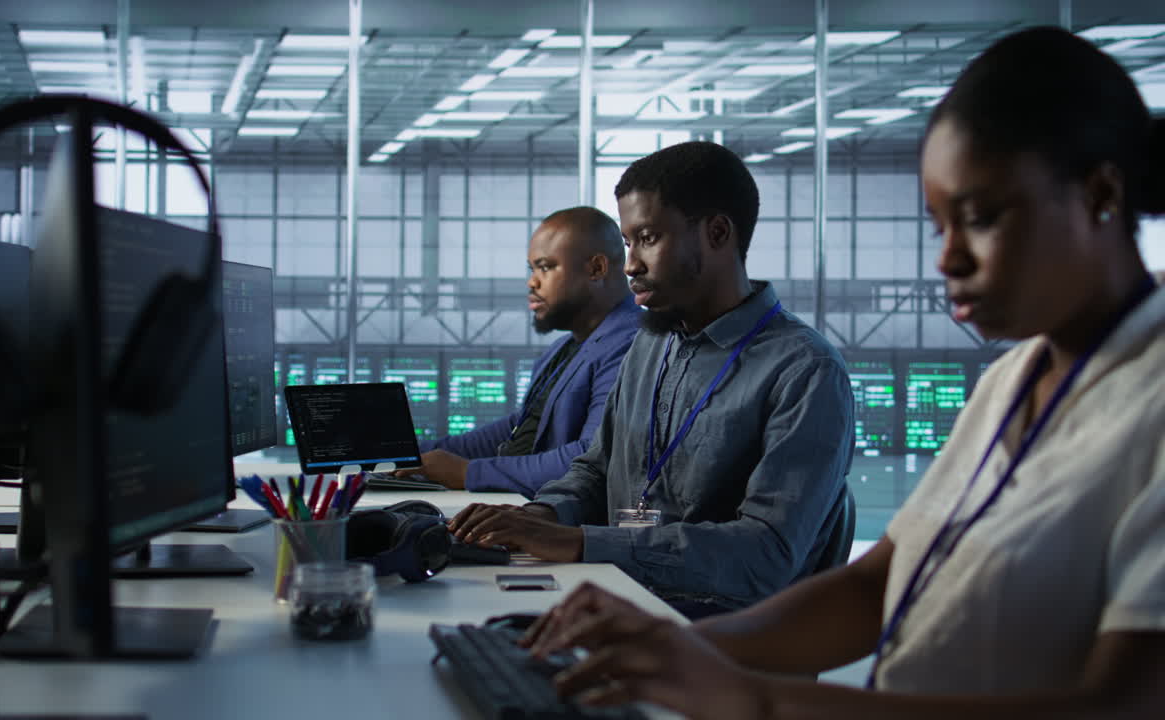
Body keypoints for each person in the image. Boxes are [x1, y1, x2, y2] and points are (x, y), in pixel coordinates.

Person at [514, 26, 1165, 719]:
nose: (947, 260)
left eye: (979, 219)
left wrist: (752, 697)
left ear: (1101, 194)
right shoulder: (1015, 379)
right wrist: (680, 645)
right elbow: (877, 587)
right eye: (938, 226)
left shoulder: (1148, 402)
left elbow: (1120, 705)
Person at [450, 141, 856, 618]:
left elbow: (764, 552)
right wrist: (539, 517)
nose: (630, 265)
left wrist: (579, 541)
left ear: (718, 233)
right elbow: (595, 469)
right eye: (627, 242)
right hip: (616, 602)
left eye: (647, 238)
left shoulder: (805, 370)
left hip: (715, 642)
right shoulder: (650, 344)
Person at [395, 207, 639, 497]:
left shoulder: (631, 343)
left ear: (596, 269)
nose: (532, 282)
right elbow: (520, 427)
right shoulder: (564, 348)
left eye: (546, 267)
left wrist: (468, 473)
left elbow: (593, 455)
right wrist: (412, 456)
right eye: (532, 269)